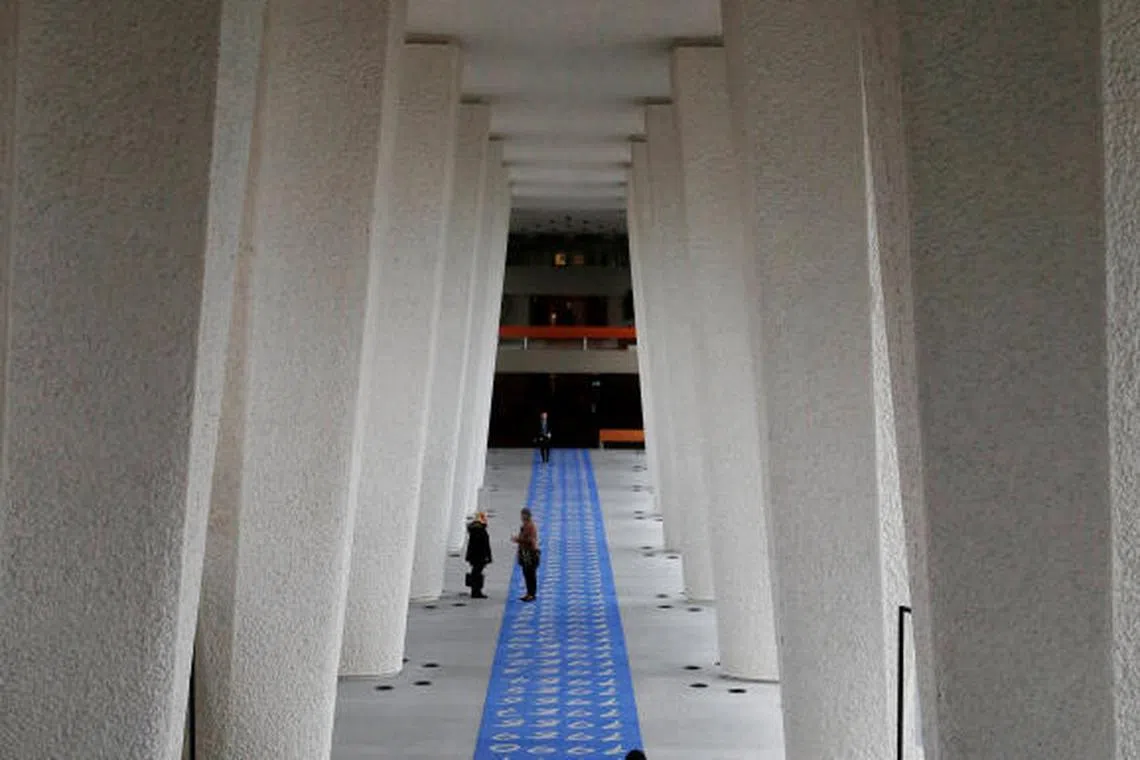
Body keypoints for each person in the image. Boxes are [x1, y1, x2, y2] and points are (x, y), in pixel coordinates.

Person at [511, 507, 540, 602]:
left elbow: (530, 541)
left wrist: (518, 539)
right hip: (525, 553)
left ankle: (532, 594)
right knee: (527, 574)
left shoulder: (530, 526)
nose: (521, 517)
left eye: (523, 515)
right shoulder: (525, 525)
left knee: (530, 574)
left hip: (530, 553)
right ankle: (529, 593)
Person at [465, 512, 492, 599]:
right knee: (477, 573)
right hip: (479, 556)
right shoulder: (480, 530)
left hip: (474, 556)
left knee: (475, 572)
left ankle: (475, 590)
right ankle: (476, 591)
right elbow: (484, 545)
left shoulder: (475, 529)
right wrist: (488, 557)